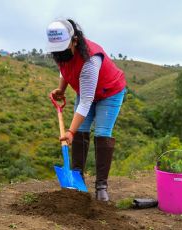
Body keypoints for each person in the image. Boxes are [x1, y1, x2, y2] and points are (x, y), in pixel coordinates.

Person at [46, 19, 126, 201]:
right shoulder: (62, 53)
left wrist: (70, 131)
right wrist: (61, 89)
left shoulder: (91, 60)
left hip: (109, 92)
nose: (59, 54)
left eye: (63, 49)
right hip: (87, 91)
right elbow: (64, 69)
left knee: (102, 133)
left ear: (75, 41)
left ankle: (101, 186)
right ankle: (77, 179)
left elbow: (86, 101)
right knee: (81, 131)